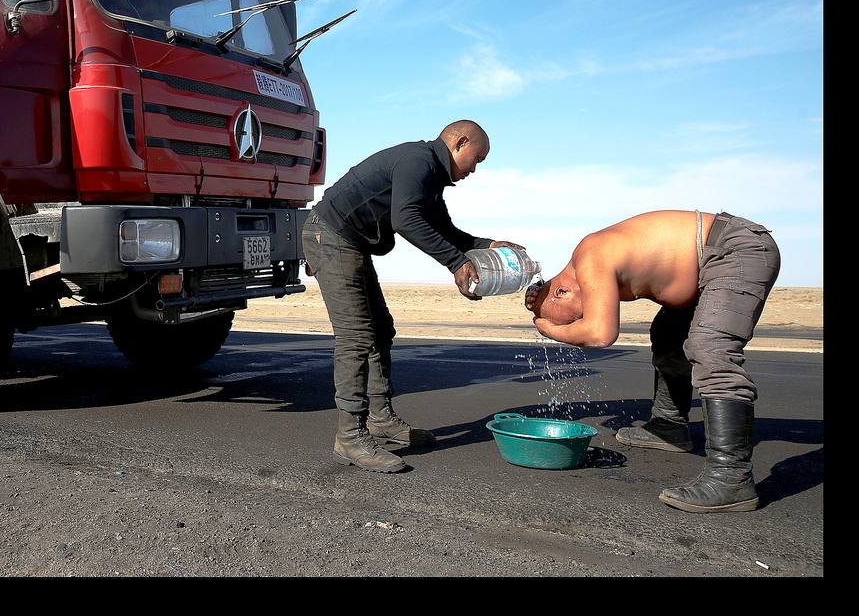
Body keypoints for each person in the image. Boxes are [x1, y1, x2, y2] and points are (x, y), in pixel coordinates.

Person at [302, 120, 525, 473]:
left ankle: (381, 420)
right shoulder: (418, 161)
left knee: (381, 331)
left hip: (348, 242)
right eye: (477, 159)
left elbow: (443, 229)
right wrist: (456, 264)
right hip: (330, 236)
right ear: (459, 141)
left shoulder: (430, 175)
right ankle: (350, 435)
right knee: (357, 338)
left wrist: (486, 245)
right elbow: (405, 219)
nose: (475, 169)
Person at [524, 210, 781, 513]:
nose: (579, 320)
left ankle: (732, 477)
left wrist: (550, 329)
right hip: (708, 264)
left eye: (573, 318)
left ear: (562, 292)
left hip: (732, 250)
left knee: (711, 349)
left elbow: (600, 333)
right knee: (668, 335)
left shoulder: (590, 256)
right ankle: (669, 426)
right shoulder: (588, 262)